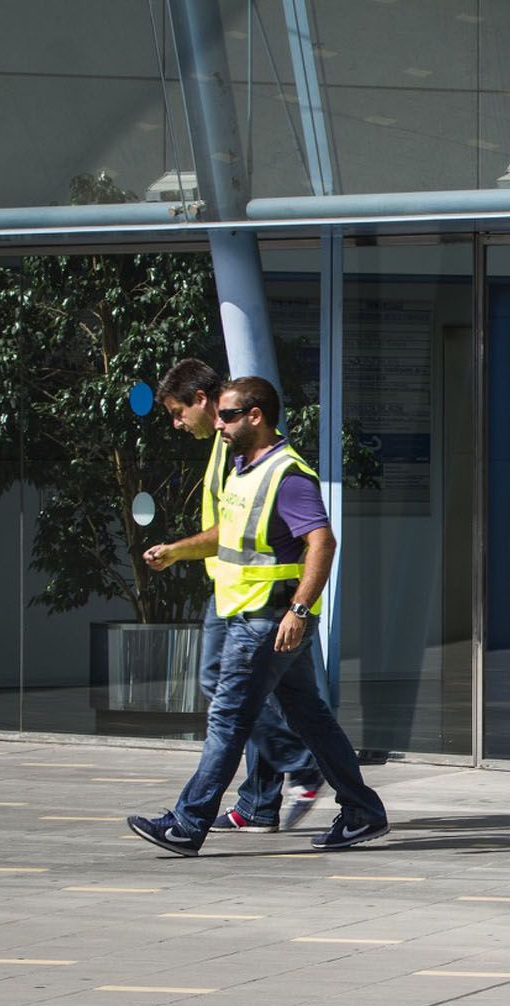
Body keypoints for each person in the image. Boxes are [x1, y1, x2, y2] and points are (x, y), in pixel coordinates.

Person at [128, 376, 388, 856]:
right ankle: (362, 812)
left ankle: (188, 824)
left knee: (228, 720)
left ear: (256, 416)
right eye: (220, 415)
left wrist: (299, 609)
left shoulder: (288, 475)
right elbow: (227, 533)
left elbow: (322, 542)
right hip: (251, 615)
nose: (220, 424)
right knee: (311, 719)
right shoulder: (245, 468)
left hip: (268, 620)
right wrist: (176, 552)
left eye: (228, 415)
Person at [144, 359, 323, 834]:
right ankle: (263, 801)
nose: (178, 424)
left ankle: (297, 766)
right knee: (274, 698)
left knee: (228, 696)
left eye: (179, 412)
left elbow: (312, 538)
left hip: (254, 598)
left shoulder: (239, 445)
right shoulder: (225, 447)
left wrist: (297, 609)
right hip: (234, 589)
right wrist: (179, 552)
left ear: (202, 401)